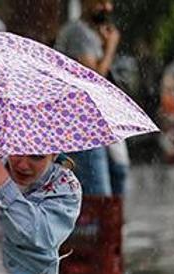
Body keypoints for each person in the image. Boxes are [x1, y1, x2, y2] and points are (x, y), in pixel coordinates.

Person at [56, 0, 126, 197]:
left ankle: (109, 225)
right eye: (100, 2)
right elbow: (93, 80)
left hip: (96, 124)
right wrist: (111, 46)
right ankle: (103, 226)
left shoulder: (93, 32)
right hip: (82, 126)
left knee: (118, 174)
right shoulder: (78, 32)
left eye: (110, 2)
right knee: (99, 194)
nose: (107, 7)